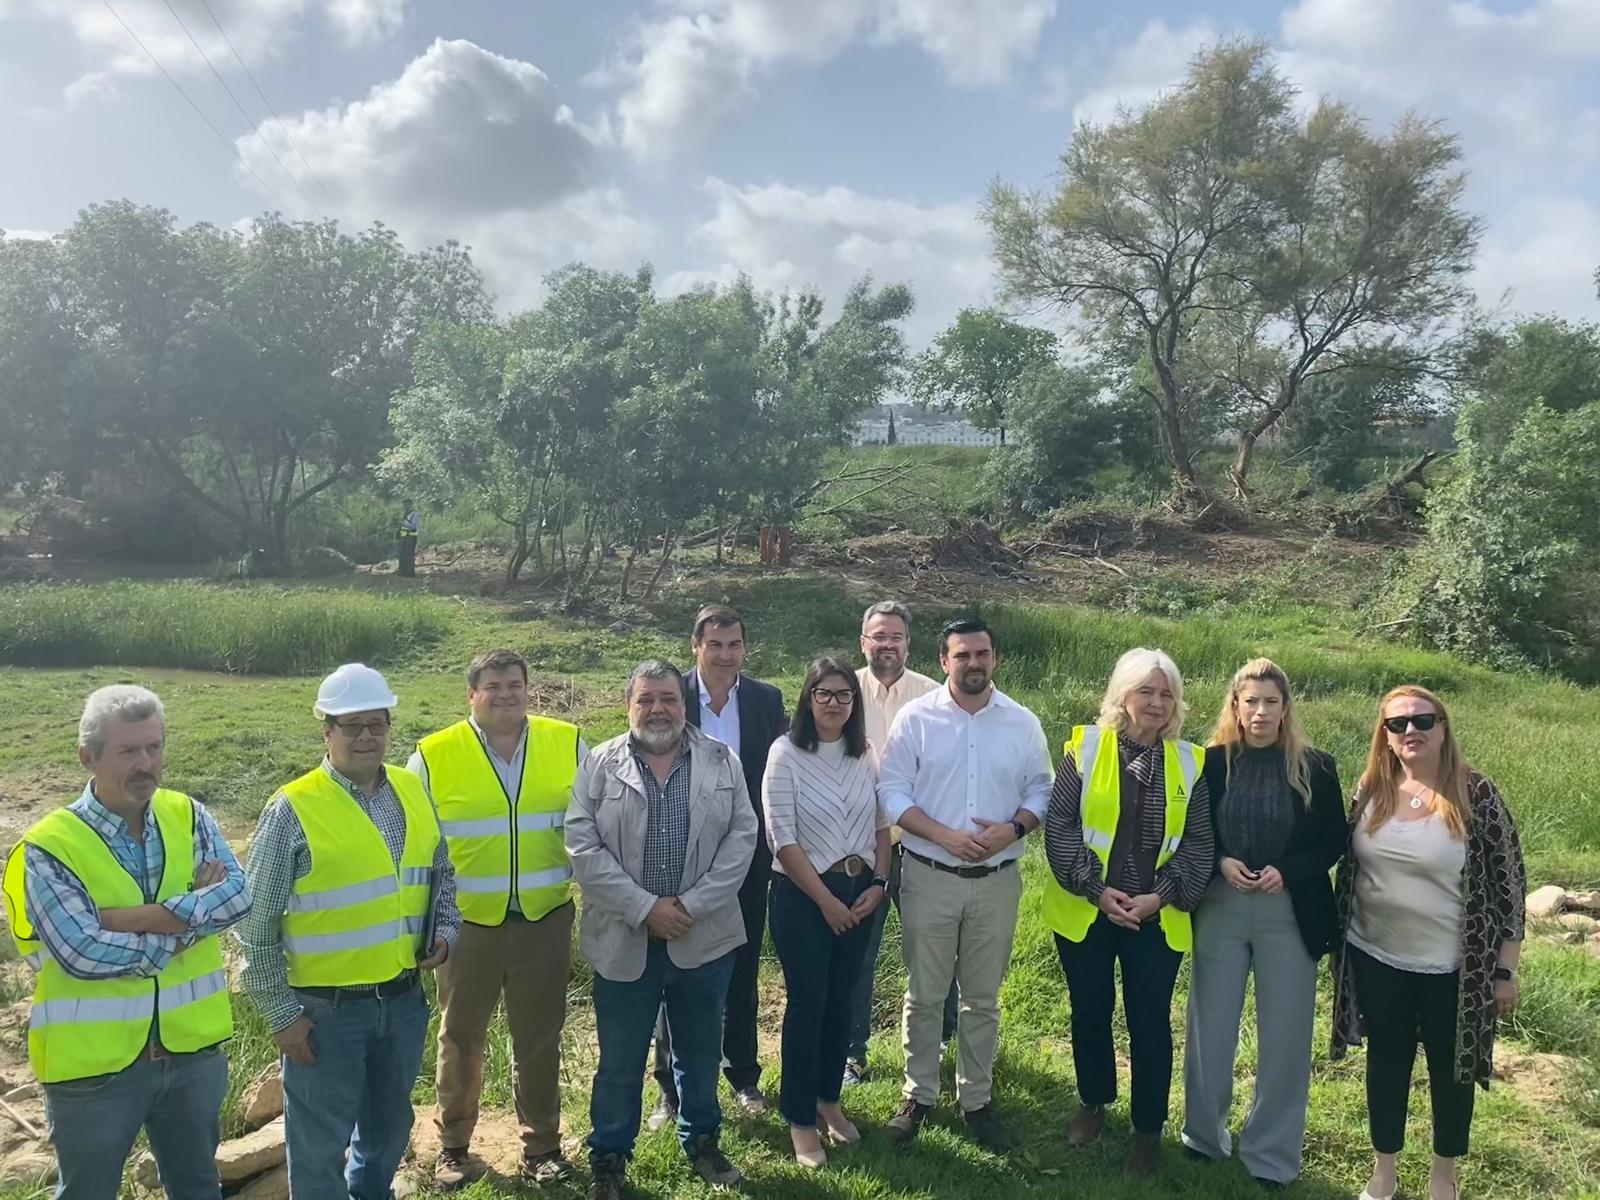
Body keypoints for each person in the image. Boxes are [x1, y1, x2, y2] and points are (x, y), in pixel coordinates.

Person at [1, 685, 251, 1200]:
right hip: (93, 1071)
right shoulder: (49, 847)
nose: (146, 764)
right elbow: (83, 952)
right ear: (87, 758)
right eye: (128, 751)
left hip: (192, 1054)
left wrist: (135, 919)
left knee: (198, 1188)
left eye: (154, 747)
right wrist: (191, 920)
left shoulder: (187, 815)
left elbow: (239, 896)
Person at [237, 663, 460, 1200]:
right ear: (327, 731)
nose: (366, 736)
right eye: (352, 725)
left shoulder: (411, 789)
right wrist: (282, 1017)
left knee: (387, 1132)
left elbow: (442, 875)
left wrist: (446, 932)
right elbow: (255, 924)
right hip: (325, 1014)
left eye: (376, 724)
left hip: (402, 1002)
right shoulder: (292, 809)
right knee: (319, 1148)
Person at [567, 661, 757, 1200]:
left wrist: (688, 907)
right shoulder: (599, 765)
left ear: (683, 703)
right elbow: (582, 847)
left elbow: (742, 837)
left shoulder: (721, 760)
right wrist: (647, 908)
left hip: (704, 936)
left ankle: (702, 1140)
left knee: (700, 1054)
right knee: (619, 1061)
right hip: (624, 939)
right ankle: (609, 1156)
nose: (658, 709)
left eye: (668, 698)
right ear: (628, 705)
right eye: (646, 699)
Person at [1330, 686, 1526, 1200]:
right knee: (1386, 1065)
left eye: (1422, 720)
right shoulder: (1370, 787)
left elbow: (1510, 884)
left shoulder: (1475, 793)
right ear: (1385, 735)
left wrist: (1505, 970)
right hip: (1375, 956)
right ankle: (1384, 1173)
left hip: (1453, 967)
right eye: (1397, 724)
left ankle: (1444, 1177)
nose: (1410, 730)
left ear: (1443, 728)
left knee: (1451, 1073)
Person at [407, 649, 585, 1187]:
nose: (505, 694)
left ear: (528, 689)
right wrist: (429, 924)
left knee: (540, 1037)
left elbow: (594, 822)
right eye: (493, 686)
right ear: (472, 694)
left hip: (544, 919)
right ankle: (454, 1148)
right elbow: (417, 849)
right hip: (466, 926)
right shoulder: (433, 755)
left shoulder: (568, 742)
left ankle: (542, 1148)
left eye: (514, 684)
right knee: (460, 1037)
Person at [877, 616, 1053, 1153]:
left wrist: (1012, 830)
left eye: (982, 654)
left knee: (982, 998)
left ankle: (976, 1099)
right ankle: (918, 1095)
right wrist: (944, 836)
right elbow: (892, 791)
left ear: (994, 658)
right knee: (925, 994)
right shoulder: (916, 719)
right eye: (962, 655)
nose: (973, 663)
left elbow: (1042, 790)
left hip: (996, 881)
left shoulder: (1021, 722)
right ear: (943, 661)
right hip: (930, 875)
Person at [1043, 647, 1214, 1179]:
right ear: (1122, 695)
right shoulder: (1085, 749)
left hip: (1156, 915)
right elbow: (1061, 826)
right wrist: (1097, 891)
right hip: (1088, 910)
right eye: (1146, 691)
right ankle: (1093, 1102)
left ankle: (1147, 1132)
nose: (1157, 703)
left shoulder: (1191, 762)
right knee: (1090, 1010)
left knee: (1150, 1021)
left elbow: (1199, 843)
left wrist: (1159, 896)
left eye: (1166, 694)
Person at [1181, 659, 1344, 1187]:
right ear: (1235, 706)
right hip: (1222, 904)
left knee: (1286, 1034)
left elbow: (1333, 840)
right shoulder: (1209, 763)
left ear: (1286, 707)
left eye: (1271, 701)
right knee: (1210, 1025)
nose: (1260, 711)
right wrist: (1220, 860)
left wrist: (1287, 871)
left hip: (1288, 909)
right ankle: (1203, 1137)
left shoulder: (1316, 767)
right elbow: (1191, 830)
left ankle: (1270, 1154)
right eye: (1251, 701)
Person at [649, 605, 786, 1128]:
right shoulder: (672, 697)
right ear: (696, 647)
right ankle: (670, 1090)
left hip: (746, 856)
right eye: (715, 644)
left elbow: (777, 773)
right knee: (675, 972)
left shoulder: (765, 700)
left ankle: (744, 1076)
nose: (725, 655)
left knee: (743, 968)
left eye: (734, 644)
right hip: (680, 857)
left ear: (745, 648)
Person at [764, 658, 891, 1168]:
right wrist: (825, 901)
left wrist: (879, 884)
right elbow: (782, 839)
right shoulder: (786, 753)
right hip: (803, 897)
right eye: (824, 694)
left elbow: (882, 826)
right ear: (808, 698)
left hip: (861, 893)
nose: (834, 703)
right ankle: (799, 1117)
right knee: (809, 1005)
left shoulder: (865, 752)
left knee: (842, 1003)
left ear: (854, 703)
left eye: (844, 695)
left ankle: (828, 1099)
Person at [843, 600, 953, 1087]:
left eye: (895, 637)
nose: (887, 645)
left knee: (934, 948)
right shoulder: (841, 692)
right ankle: (852, 1053)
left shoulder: (934, 697)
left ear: (909, 643)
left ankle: (943, 1040)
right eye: (878, 636)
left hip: (922, 845)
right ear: (863, 642)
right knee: (857, 953)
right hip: (859, 847)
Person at [397, 499, 420, 577]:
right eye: (403, 505)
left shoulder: (415, 514)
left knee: (409, 555)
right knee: (402, 555)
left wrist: (403, 524)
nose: (404, 506)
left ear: (410, 504)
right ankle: (402, 572)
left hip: (410, 537)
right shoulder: (404, 514)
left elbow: (413, 526)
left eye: (406, 504)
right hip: (403, 537)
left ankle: (409, 573)